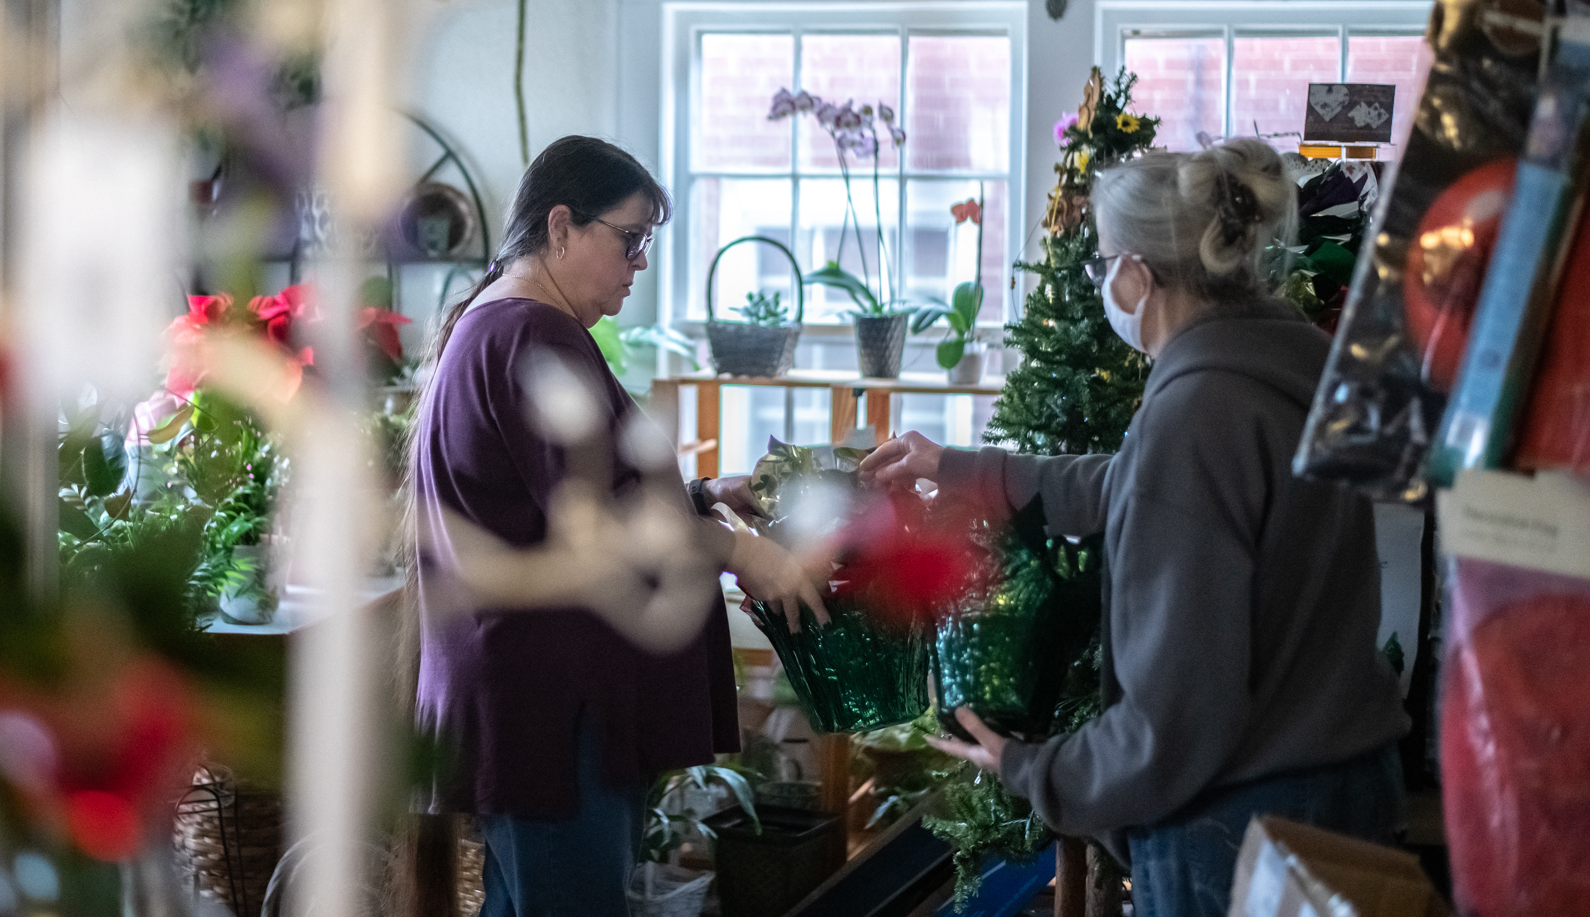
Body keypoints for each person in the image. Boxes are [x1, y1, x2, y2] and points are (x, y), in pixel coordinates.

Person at [859, 138, 1408, 917]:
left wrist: (1031, 768)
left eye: (1103, 263)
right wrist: (959, 467)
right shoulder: (1286, 376)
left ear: (1139, 275)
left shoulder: (1196, 416)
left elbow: (1175, 715)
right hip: (1344, 782)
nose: (1101, 283)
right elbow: (1130, 486)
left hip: (1240, 825)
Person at [410, 136, 825, 917]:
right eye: (629, 239)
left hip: (527, 703)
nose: (639, 264)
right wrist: (744, 552)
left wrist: (702, 492)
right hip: (552, 712)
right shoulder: (533, 337)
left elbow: (560, 498)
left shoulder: (499, 325)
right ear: (561, 226)